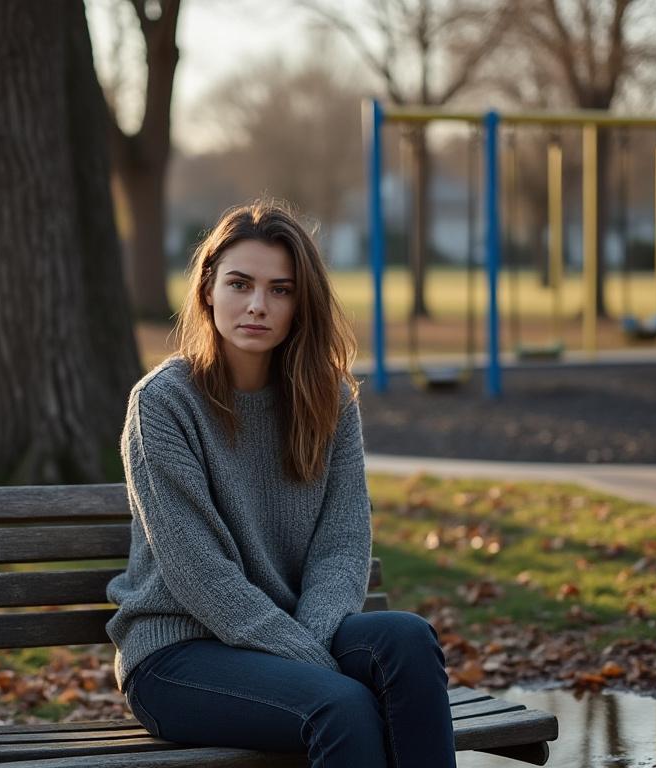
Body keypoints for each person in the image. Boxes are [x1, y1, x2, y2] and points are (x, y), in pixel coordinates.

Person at [105, 200, 456, 767]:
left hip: (293, 634)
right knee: (342, 706)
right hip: (177, 656)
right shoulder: (164, 403)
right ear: (207, 289)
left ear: (301, 302)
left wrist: (307, 641)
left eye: (280, 290)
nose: (257, 305)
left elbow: (342, 543)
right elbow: (199, 573)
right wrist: (312, 661)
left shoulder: (328, 399)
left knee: (407, 641)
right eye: (239, 284)